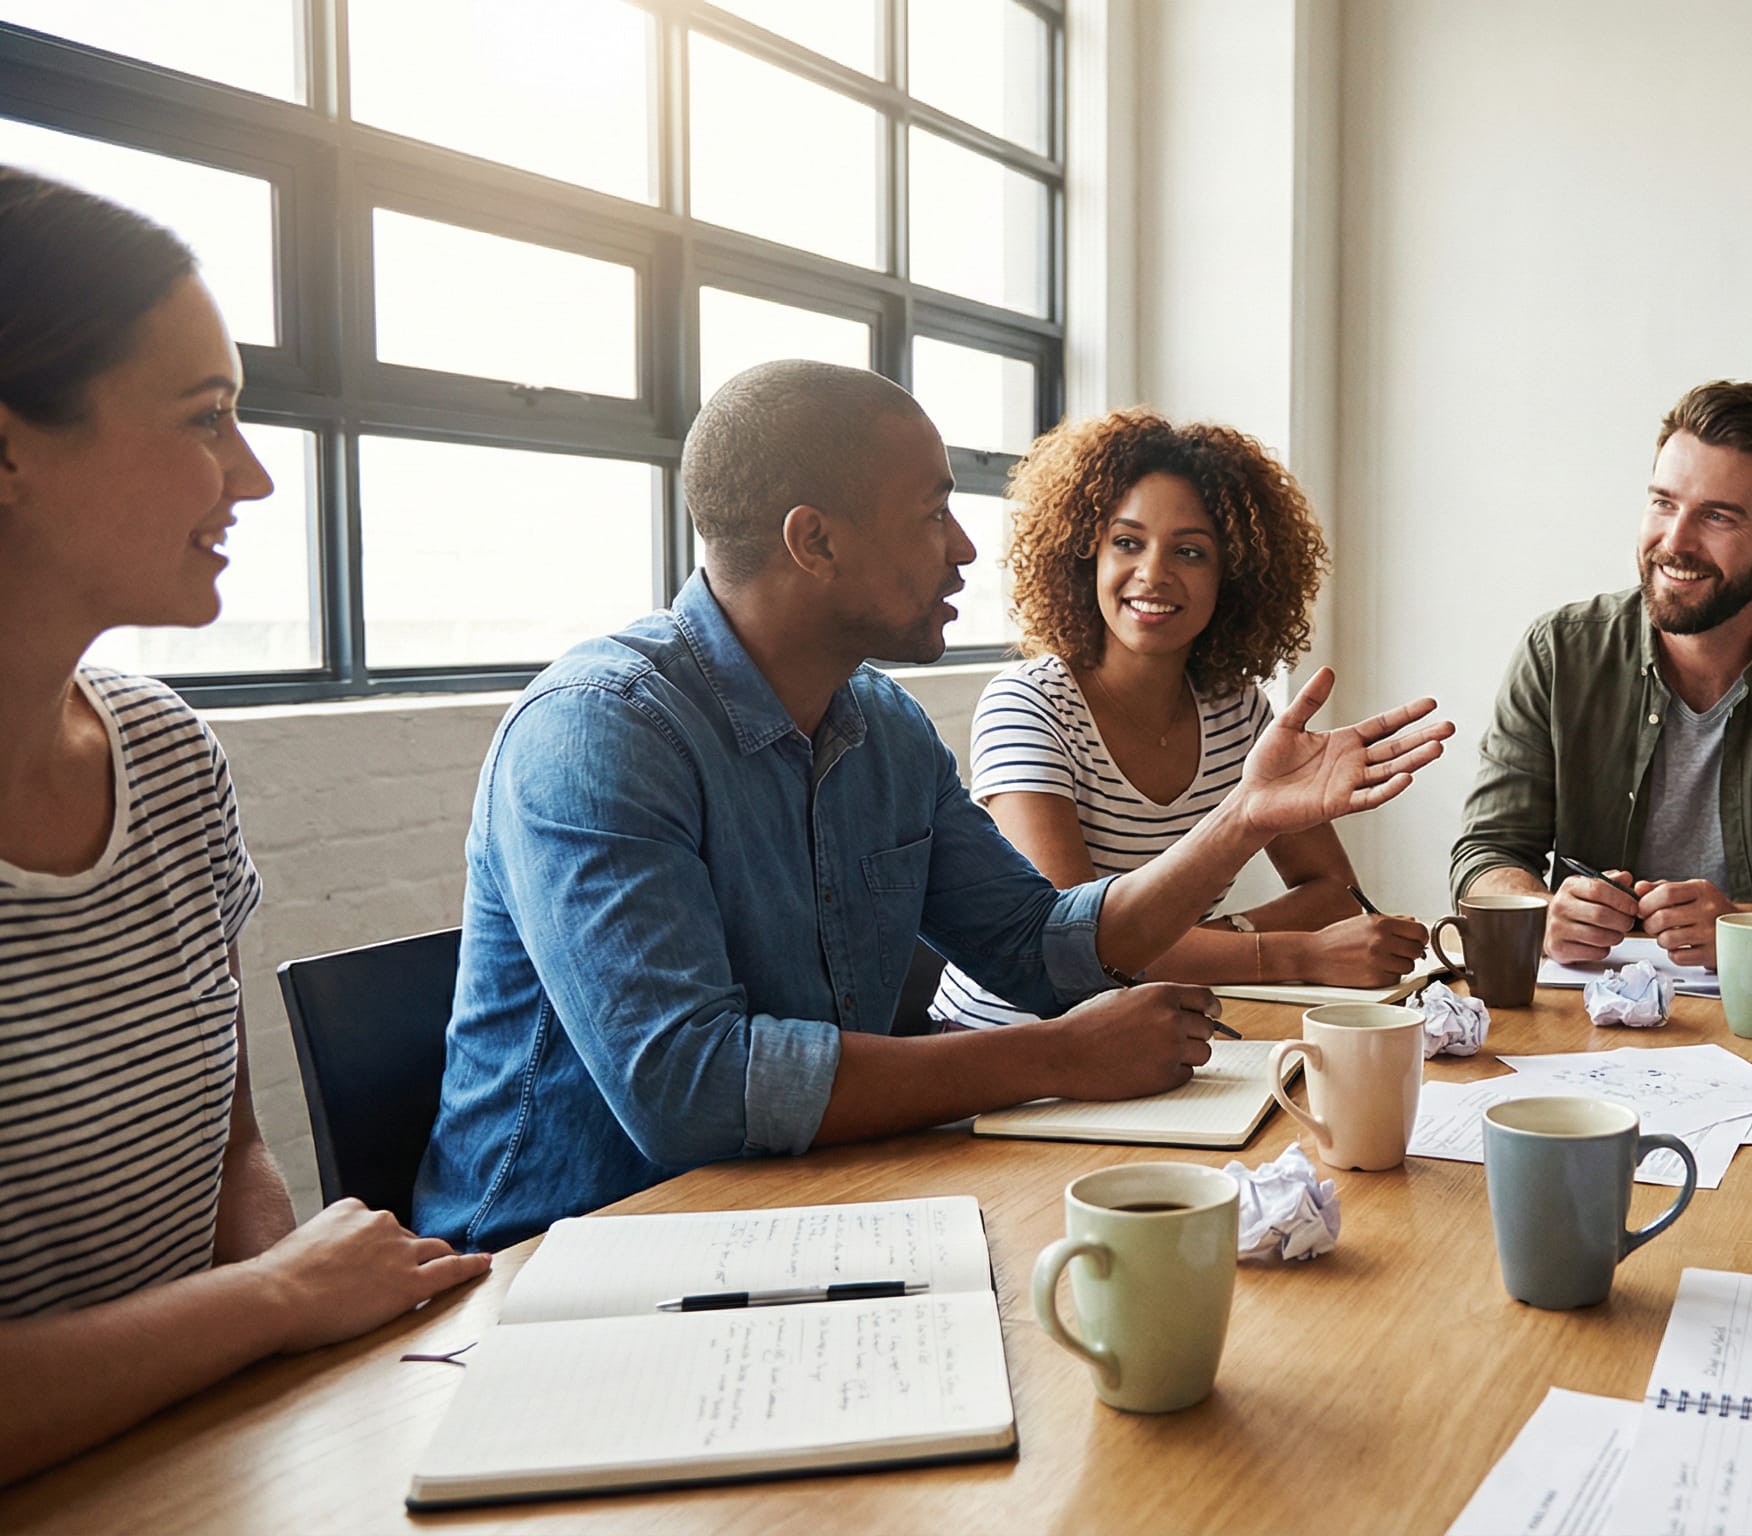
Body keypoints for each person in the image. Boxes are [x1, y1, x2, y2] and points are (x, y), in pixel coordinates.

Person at [415, 361, 1451, 1252]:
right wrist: (1057, 1055)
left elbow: (1039, 946)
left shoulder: (881, 726)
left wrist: (1244, 820)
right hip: (563, 1254)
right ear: (814, 541)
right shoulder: (596, 731)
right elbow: (692, 1090)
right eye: (932, 513)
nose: (963, 548)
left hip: (801, 1207)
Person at [0, 169, 488, 1484]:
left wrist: (306, 1401)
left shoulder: (164, 756)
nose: (257, 474)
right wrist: (276, 1300)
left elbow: (230, 1162)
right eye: (206, 416)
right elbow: (262, 1287)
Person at [933, 410, 1428, 1029]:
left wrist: (1193, 941)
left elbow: (1334, 897)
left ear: (1233, 577)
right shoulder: (1028, 705)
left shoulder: (1237, 711)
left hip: (1153, 1033)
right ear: (1085, 555)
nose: (1153, 573)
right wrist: (1296, 953)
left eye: (1189, 552)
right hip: (1006, 1041)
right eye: (1127, 542)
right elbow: (1071, 950)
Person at [1451, 380, 1752, 970]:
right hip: (1588, 1002)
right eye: (1663, 503)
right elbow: (1486, 853)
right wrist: (1541, 913)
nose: (1675, 541)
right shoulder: (1559, 651)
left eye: (1717, 516)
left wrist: (1745, 927)